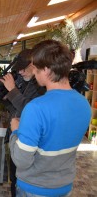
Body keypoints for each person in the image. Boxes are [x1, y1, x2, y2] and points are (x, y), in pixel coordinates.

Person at [9, 39, 91, 197]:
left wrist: (15, 131)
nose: (33, 71)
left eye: (35, 67)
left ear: (46, 70)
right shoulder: (83, 104)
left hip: (34, 188)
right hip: (64, 186)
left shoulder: (36, 108)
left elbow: (22, 160)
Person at [0, 49, 46, 197]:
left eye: (23, 68)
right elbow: (15, 108)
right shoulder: (21, 80)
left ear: (34, 64)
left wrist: (12, 91)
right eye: (18, 69)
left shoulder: (42, 87)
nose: (20, 72)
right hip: (15, 136)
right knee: (13, 177)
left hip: (29, 141)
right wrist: (3, 97)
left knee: (23, 179)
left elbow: (31, 109)